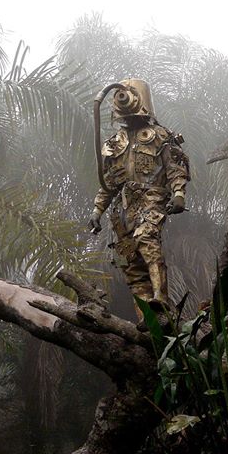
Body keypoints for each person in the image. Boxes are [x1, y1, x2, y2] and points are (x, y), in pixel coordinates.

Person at [88, 78, 189, 312]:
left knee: (147, 242)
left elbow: (175, 167)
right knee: (131, 262)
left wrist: (178, 193)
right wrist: (97, 210)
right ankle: (147, 317)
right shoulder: (114, 144)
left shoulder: (160, 136)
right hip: (122, 210)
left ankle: (160, 298)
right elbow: (108, 182)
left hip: (150, 200)